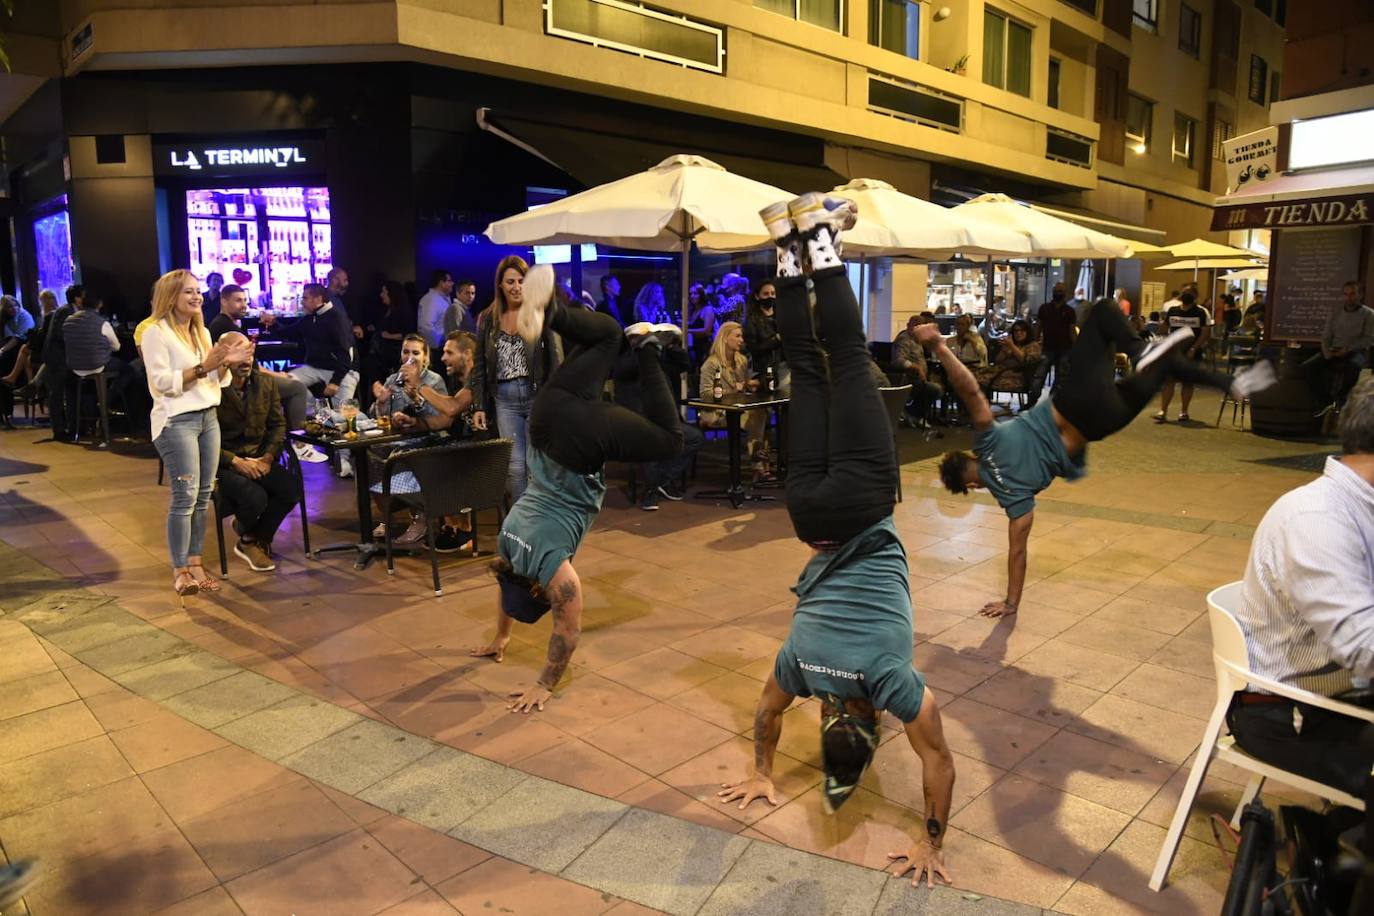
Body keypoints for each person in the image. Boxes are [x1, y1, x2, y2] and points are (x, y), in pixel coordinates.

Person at [720, 193, 956, 889]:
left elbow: (938, 762)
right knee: (805, 360)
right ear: (827, 717)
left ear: (875, 719)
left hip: (859, 501)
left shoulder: (893, 682)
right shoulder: (797, 669)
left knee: (846, 356)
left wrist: (931, 844)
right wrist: (761, 772)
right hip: (807, 515)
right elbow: (764, 716)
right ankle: (783, 242)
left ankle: (819, 238)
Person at [934, 297, 1276, 618]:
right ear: (970, 457)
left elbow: (1018, 553)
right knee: (1101, 313)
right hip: (1075, 401)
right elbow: (968, 387)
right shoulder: (987, 441)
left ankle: (1215, 379)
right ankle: (1174, 362)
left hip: (1102, 422)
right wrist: (938, 346)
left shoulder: (1013, 499)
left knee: (1163, 363)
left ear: (974, 485)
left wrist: (1011, 602)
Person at [470, 265, 683, 712]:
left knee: (671, 440)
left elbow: (567, 631)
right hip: (547, 412)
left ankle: (647, 350)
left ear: (537, 589)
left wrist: (545, 685)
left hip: (579, 442)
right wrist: (500, 637)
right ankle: (549, 311)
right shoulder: (506, 544)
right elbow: (504, 591)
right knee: (606, 334)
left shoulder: (553, 570)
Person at [1228, 378, 1374, 797]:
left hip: (1338, 696)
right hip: (1288, 713)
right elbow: (1362, 647)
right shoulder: (1317, 519)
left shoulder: (1354, 509)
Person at [143, 269, 253, 599]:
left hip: (208, 418)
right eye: (187, 291)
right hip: (176, 421)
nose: (196, 297)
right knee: (185, 496)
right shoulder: (155, 333)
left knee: (204, 495)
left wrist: (226, 363)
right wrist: (207, 365)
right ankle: (180, 570)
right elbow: (163, 384)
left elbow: (215, 382)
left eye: (197, 291)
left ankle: (196, 563)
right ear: (170, 296)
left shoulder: (202, 331)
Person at [467, 255, 562, 502]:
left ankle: (538, 519)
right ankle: (522, 525)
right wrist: (479, 405)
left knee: (535, 466)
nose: (516, 286)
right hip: (504, 399)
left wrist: (555, 400)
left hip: (536, 396)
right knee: (515, 467)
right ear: (500, 284)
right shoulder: (488, 317)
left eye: (521, 280)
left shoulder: (538, 312)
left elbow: (555, 358)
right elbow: (479, 363)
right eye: (510, 281)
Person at [207, 284, 325, 464]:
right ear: (223, 301)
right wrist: (279, 376)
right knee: (297, 388)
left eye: (245, 300)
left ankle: (288, 441)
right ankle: (300, 445)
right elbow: (248, 365)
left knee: (294, 387)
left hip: (245, 379)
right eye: (238, 300)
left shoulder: (227, 323)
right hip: (239, 383)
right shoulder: (224, 326)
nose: (243, 305)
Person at [215, 332, 298, 572]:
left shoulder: (265, 383)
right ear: (223, 356)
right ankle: (251, 538)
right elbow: (202, 439)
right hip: (224, 460)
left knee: (291, 490)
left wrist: (268, 457)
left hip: (258, 456)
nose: (246, 361)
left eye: (249, 354)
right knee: (256, 497)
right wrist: (235, 462)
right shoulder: (210, 389)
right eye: (239, 355)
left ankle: (252, 538)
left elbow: (277, 425)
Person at [261, 283, 358, 475]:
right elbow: (289, 332)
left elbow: (347, 355)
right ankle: (317, 414)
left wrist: (336, 381)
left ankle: (344, 461)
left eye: (305, 298)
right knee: (290, 383)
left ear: (318, 299)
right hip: (315, 367)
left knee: (345, 415)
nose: (302, 301)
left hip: (343, 370)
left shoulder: (336, 317)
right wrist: (272, 323)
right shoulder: (310, 318)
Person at [613, 334, 702, 511]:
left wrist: (671, 345)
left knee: (695, 437)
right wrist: (640, 349)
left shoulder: (661, 360)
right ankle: (651, 492)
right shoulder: (628, 362)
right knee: (651, 443)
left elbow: (685, 364)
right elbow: (623, 369)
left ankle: (660, 479)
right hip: (639, 422)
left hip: (667, 421)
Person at [699, 321, 770, 476]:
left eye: (741, 336)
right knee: (757, 417)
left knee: (760, 412)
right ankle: (757, 463)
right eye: (737, 336)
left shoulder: (741, 361)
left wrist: (748, 385)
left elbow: (742, 387)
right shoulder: (711, 364)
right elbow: (705, 395)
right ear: (725, 338)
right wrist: (730, 390)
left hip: (737, 408)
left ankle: (757, 460)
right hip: (716, 412)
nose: (741, 340)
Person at [1307, 280, 1374, 417]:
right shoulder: (1335, 312)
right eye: (1346, 294)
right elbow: (1326, 336)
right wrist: (1327, 352)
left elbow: (1369, 339)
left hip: (1355, 350)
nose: (1349, 297)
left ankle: (1341, 398)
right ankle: (1325, 400)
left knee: (1353, 368)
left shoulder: (1368, 314)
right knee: (1308, 368)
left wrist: (1348, 349)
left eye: (1352, 294)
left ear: (1359, 295)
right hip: (1334, 349)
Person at [62, 293, 130, 419]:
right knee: (129, 370)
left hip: (74, 366)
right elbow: (117, 347)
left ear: (81, 304)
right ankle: (105, 402)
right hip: (97, 364)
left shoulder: (68, 321)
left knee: (89, 386)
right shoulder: (102, 323)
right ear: (100, 304)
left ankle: (90, 420)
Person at [1154, 291, 1212, 423]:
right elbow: (1164, 328)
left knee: (1187, 382)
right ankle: (1163, 410)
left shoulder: (1200, 312)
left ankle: (1184, 412)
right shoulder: (1173, 310)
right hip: (1174, 351)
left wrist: (1194, 348)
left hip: (1191, 352)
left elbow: (1205, 332)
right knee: (1169, 381)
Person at [41, 285, 82, 441]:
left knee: (69, 392)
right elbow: (60, 334)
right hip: (57, 358)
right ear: (77, 297)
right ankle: (59, 431)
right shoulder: (66, 311)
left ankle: (72, 428)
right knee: (57, 394)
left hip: (64, 358)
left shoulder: (68, 309)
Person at [891, 314, 942, 428]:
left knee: (938, 385)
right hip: (908, 379)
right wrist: (915, 367)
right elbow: (898, 360)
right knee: (935, 389)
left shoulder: (917, 340)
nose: (918, 328)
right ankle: (913, 413)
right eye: (915, 325)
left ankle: (915, 414)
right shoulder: (905, 339)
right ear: (908, 325)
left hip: (919, 378)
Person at [976, 319, 1042, 401]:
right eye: (1016, 331)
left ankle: (981, 407)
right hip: (1000, 372)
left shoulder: (1032, 345)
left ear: (1027, 332)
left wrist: (1012, 347)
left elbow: (1026, 361)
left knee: (978, 382)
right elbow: (997, 361)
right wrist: (1004, 351)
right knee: (972, 378)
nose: (1018, 333)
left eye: (1022, 331)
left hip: (1017, 377)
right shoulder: (1010, 344)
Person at [0, 296, 36, 428]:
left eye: (14, 305)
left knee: (4, 365)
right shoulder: (4, 319)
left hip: (24, 350)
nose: (13, 308)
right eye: (9, 306)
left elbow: (18, 338)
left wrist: (2, 350)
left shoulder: (24, 316)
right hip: (11, 350)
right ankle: (5, 413)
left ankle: (7, 413)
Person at [744, 280, 785, 392]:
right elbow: (753, 348)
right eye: (766, 294)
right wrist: (775, 340)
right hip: (763, 371)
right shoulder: (752, 320)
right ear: (757, 296)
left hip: (785, 368)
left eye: (773, 293)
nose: (770, 297)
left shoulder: (782, 315)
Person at [1036, 282, 1076, 393]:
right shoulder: (1044, 308)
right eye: (1056, 291)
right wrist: (1035, 342)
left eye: (1060, 291)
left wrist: (1076, 347)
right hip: (1047, 347)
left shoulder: (1070, 311)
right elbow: (1038, 327)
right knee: (1039, 376)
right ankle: (1032, 401)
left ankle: (1052, 401)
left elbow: (1072, 331)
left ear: (1065, 293)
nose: (1058, 293)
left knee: (1061, 379)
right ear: (1052, 292)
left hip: (1065, 348)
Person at [417, 268, 454, 352]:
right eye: (449, 281)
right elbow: (426, 328)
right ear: (441, 283)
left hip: (442, 347)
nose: (452, 283)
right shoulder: (430, 300)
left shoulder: (443, 299)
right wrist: (436, 347)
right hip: (435, 349)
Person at [685, 282, 716, 363]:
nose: (692, 296)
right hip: (694, 346)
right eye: (690, 293)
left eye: (695, 293)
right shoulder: (693, 310)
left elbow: (707, 331)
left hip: (705, 346)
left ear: (701, 295)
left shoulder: (707, 309)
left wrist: (686, 331)